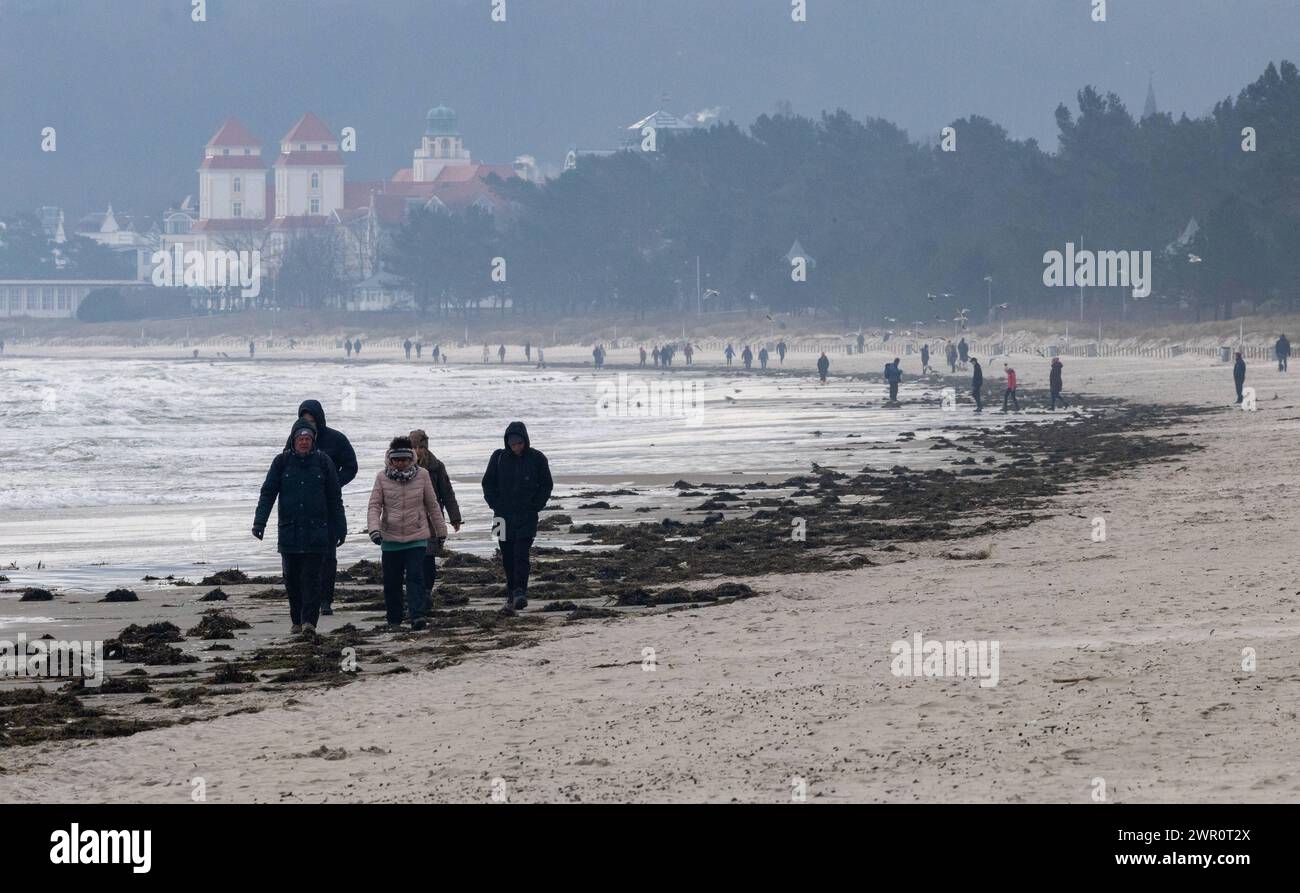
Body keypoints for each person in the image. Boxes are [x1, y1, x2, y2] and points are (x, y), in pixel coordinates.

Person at [253, 419, 346, 635]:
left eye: (307, 439)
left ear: (313, 441)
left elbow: (335, 498)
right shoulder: (281, 462)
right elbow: (268, 493)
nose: (304, 442)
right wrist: (260, 522)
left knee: (312, 579)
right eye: (300, 439)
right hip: (289, 532)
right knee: (292, 580)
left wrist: (341, 527)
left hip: (317, 533)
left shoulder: (324, 462)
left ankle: (309, 623)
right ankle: (296, 619)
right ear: (294, 441)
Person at [283, 400, 358, 615]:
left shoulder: (336, 439)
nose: (308, 424)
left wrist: (333, 483)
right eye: (304, 419)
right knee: (300, 558)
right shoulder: (295, 439)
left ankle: (326, 600)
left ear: (320, 419)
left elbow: (352, 467)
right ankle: (305, 602)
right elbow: (285, 465)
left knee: (328, 555)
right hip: (300, 508)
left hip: (328, 505)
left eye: (312, 419)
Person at [368, 436, 446, 631]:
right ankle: (394, 619)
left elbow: (432, 504)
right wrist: (374, 530)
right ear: (390, 459)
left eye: (404, 459)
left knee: (415, 578)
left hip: (416, 537)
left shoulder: (423, 475)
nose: (400, 463)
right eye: (397, 459)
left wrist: (440, 530)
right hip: (390, 538)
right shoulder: (381, 477)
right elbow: (374, 506)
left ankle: (417, 616)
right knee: (392, 582)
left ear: (411, 458)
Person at [481, 421, 553, 612]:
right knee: (506, 556)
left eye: (519, 444)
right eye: (513, 444)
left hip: (527, 515)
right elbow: (487, 483)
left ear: (525, 441)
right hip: (500, 516)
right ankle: (511, 592)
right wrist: (494, 503)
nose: (516, 448)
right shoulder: (498, 457)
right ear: (507, 443)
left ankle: (520, 591)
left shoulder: (537, 458)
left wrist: (536, 506)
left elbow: (546, 485)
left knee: (521, 554)